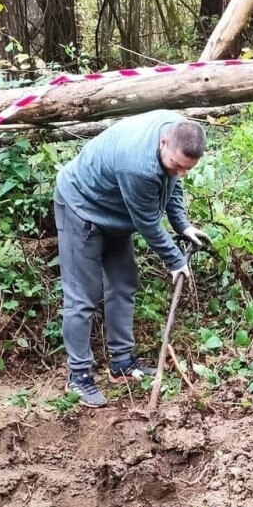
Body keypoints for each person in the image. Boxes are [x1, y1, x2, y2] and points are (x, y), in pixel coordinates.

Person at [54, 110, 209, 406]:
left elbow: (172, 183)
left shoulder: (179, 131)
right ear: (163, 143)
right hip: (82, 206)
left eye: (188, 168)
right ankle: (79, 377)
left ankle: (122, 363)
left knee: (124, 285)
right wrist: (176, 261)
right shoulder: (137, 166)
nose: (181, 172)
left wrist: (183, 225)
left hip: (115, 212)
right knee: (82, 297)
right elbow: (148, 223)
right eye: (177, 164)